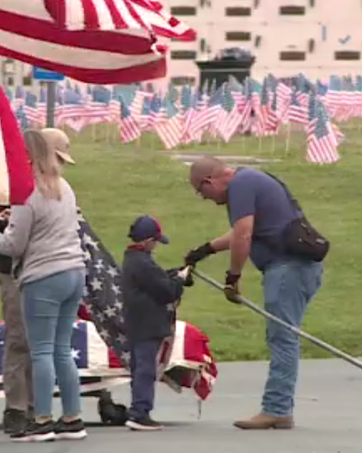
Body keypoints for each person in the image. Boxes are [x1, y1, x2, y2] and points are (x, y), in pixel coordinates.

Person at [0, 130, 88, 443]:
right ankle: (72, 418)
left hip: (43, 277)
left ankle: (41, 419)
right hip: (74, 271)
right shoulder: (64, 187)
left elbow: (14, 245)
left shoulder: (25, 192)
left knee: (41, 350)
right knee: (61, 350)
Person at [183, 157, 324, 430]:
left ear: (209, 181)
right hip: (294, 268)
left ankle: (278, 409)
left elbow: (244, 235)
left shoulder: (241, 185)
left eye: (203, 193)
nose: (207, 199)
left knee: (282, 338)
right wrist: (206, 249)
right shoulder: (250, 179)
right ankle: (279, 408)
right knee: (282, 337)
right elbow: (242, 232)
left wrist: (233, 277)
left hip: (288, 269)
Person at [120, 216, 188, 431]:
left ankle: (138, 409)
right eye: (155, 241)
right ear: (147, 241)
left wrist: (173, 275)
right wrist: (180, 281)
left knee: (140, 368)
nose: (156, 245)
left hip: (136, 322)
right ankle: (140, 412)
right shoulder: (144, 264)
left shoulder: (133, 260)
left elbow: (156, 280)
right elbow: (166, 291)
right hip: (147, 325)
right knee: (146, 370)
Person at [0, 203, 33, 435]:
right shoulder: (9, 190)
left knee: (38, 341)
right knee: (18, 339)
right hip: (13, 272)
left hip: (42, 269)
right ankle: (16, 408)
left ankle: (34, 406)